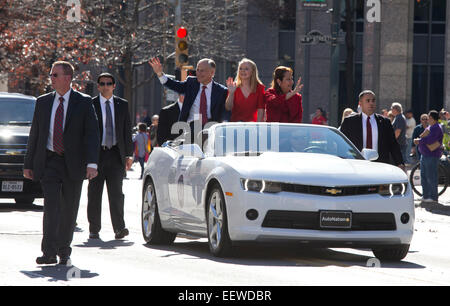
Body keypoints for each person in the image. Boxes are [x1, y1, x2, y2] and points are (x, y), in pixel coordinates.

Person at [23, 61, 100, 265]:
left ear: (67, 78)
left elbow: (92, 134)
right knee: (51, 207)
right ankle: (48, 251)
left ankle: (64, 249)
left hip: (73, 163)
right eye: (51, 75)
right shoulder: (43, 102)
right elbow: (35, 134)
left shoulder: (83, 102)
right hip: (49, 161)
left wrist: (92, 163)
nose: (51, 78)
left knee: (69, 208)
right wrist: (28, 164)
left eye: (55, 75)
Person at [87, 73, 134, 241]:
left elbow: (126, 131)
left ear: (114, 86)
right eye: (102, 83)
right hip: (96, 155)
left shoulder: (122, 104)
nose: (105, 86)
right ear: (98, 86)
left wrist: (129, 154)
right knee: (94, 194)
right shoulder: (90, 104)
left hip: (115, 154)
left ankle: (119, 228)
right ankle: (94, 229)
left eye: (109, 83)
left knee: (116, 194)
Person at [149, 57, 228, 143]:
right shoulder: (191, 83)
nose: (198, 73)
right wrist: (160, 74)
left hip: (211, 129)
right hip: (191, 128)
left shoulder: (221, 91)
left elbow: (225, 113)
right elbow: (174, 85)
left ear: (212, 73)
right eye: (197, 70)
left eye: (202, 70)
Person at [340, 90, 404, 169]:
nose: (371, 103)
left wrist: (400, 163)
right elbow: (342, 144)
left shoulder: (385, 122)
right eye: (368, 101)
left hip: (380, 165)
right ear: (360, 104)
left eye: (373, 100)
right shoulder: (349, 122)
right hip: (356, 165)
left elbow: (393, 144)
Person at [414, 110, 443, 203]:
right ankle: (426, 195)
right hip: (425, 154)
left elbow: (430, 140)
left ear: (434, 119)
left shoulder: (436, 128)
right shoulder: (431, 126)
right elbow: (423, 137)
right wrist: (420, 139)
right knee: (424, 176)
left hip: (431, 155)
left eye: (429, 118)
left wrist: (419, 141)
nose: (428, 120)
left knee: (431, 176)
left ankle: (433, 197)